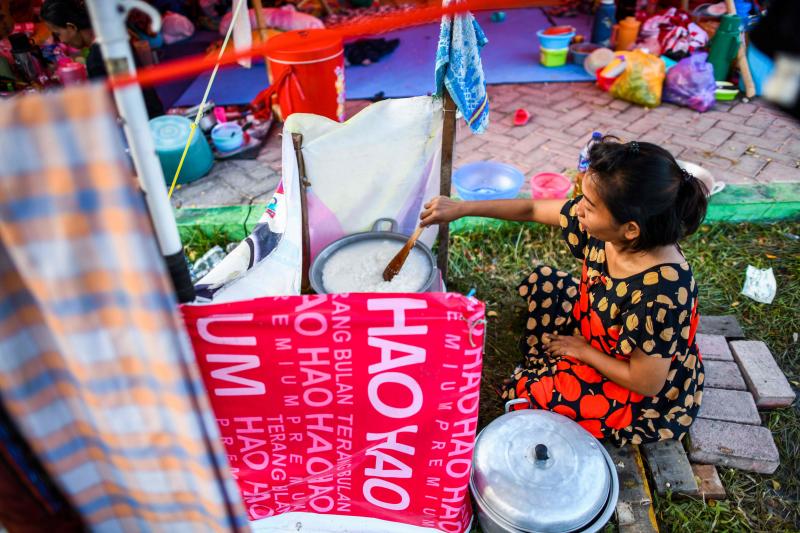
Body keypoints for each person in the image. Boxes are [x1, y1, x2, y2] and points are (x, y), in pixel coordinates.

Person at [421, 138, 707, 446]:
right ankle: (567, 356)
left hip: (636, 388)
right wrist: (462, 208)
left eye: (589, 205)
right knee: (543, 282)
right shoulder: (612, 231)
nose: (578, 209)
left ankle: (568, 367)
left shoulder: (660, 293)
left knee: (529, 394)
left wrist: (583, 351)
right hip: (600, 328)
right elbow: (532, 207)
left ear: (631, 228)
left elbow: (647, 382)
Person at [40, 0, 164, 117]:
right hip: (152, 112)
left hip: (140, 124)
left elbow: (107, 108)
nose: (61, 41)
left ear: (71, 27)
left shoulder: (96, 57)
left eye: (58, 34)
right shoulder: (112, 40)